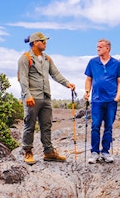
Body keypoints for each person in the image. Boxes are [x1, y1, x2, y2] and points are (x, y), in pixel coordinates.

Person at [17, 32, 76, 165]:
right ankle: (27, 151)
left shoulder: (47, 59)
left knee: (46, 125)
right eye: (43, 41)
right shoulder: (25, 59)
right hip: (32, 98)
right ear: (35, 43)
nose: (45, 43)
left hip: (46, 97)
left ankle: (48, 152)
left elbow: (55, 74)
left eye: (45, 41)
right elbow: (23, 78)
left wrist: (67, 83)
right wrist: (27, 95)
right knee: (29, 125)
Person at [84, 39, 120, 163]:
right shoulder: (92, 62)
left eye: (101, 47)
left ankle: (105, 151)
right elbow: (89, 79)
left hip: (111, 100)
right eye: (97, 47)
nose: (98, 49)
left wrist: (117, 96)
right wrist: (87, 91)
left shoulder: (116, 63)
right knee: (95, 126)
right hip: (97, 100)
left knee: (108, 126)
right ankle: (94, 152)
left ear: (108, 48)